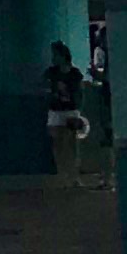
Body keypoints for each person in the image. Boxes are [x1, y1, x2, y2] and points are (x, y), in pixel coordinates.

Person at [41, 43, 87, 178]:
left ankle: (73, 173)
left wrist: (79, 108)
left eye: (55, 55)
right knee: (58, 143)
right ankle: (63, 172)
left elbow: (80, 92)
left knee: (72, 143)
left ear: (63, 56)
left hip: (70, 110)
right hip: (56, 110)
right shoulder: (51, 73)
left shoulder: (74, 73)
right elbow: (43, 85)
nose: (53, 58)